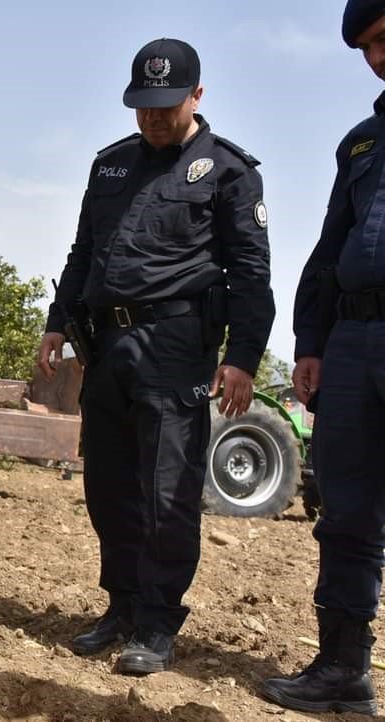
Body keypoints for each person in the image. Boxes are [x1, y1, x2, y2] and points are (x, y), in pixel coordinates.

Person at [38, 38, 274, 675]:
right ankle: (119, 607)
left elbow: (252, 274)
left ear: (197, 95)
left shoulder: (230, 171)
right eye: (143, 106)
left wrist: (244, 357)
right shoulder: (110, 165)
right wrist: (58, 325)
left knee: (167, 488)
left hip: (175, 348)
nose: (153, 117)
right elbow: (82, 250)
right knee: (108, 485)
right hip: (107, 345)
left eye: (166, 106)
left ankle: (157, 621)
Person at [261, 2, 385, 715]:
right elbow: (329, 250)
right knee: (347, 512)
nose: (377, 57)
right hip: (354, 344)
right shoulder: (362, 144)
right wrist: (311, 344)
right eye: (367, 47)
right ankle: (343, 670)